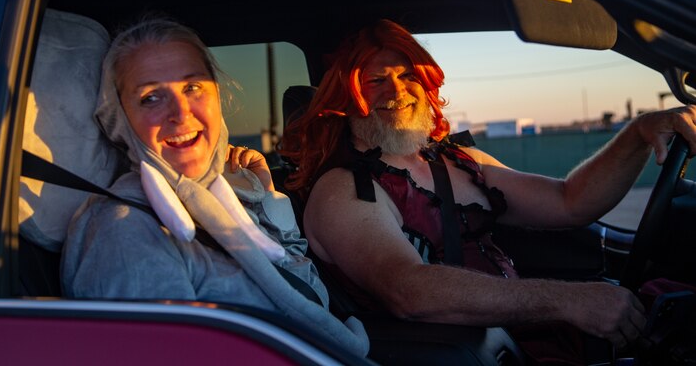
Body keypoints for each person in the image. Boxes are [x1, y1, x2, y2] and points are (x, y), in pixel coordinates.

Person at [280, 19, 696, 361]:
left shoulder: (457, 161)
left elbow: (569, 202)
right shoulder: (344, 190)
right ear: (349, 99)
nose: (397, 91)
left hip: (522, 343)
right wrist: (568, 300)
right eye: (376, 81)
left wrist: (638, 133)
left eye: (408, 75)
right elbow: (409, 289)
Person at [61, 14, 369, 356]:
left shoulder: (217, 199)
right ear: (121, 119)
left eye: (192, 87)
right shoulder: (124, 232)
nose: (180, 112)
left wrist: (265, 194)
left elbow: (295, 281)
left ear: (217, 97)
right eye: (150, 97)